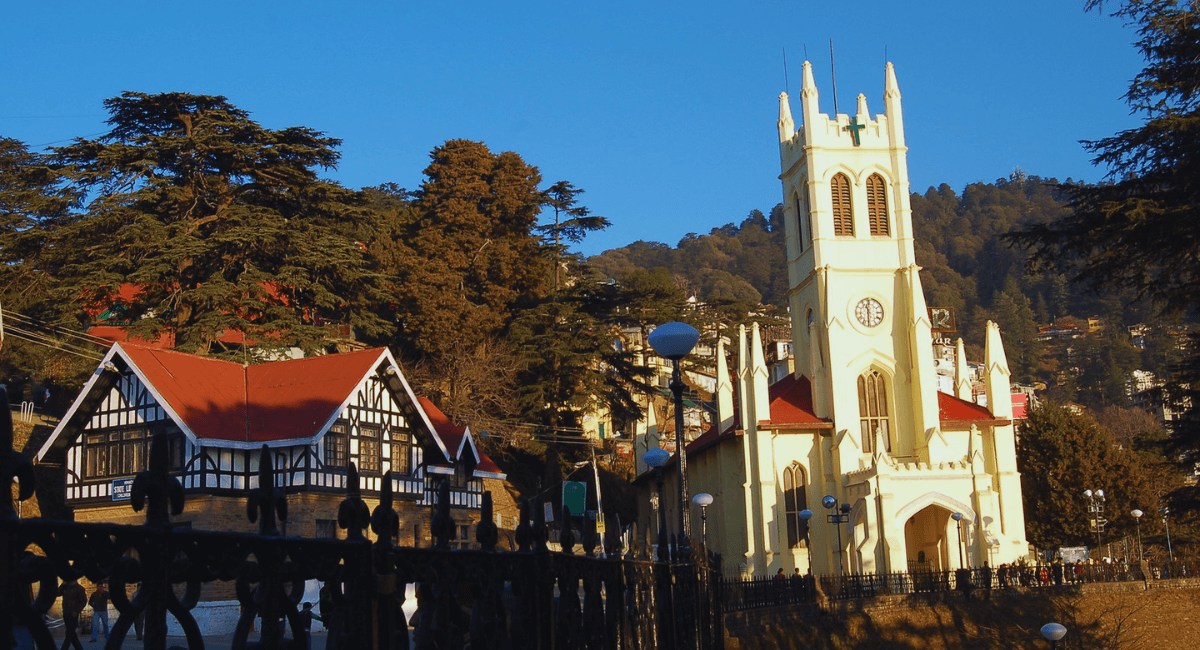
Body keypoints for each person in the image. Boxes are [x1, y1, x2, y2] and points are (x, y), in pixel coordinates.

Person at [58, 578, 87, 650]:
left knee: (68, 635)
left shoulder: (79, 588)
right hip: (66, 613)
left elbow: (83, 601)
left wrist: (77, 611)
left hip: (73, 614)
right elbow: (57, 593)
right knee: (72, 635)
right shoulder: (66, 587)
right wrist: (63, 584)